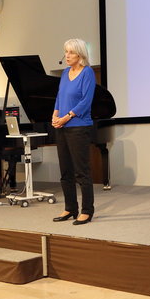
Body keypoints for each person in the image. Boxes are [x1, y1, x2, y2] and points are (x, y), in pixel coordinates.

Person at [52, 38, 96, 225]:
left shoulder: (88, 73)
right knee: (65, 171)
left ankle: (87, 210)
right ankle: (70, 208)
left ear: (80, 55)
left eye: (71, 52)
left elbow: (85, 101)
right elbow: (59, 97)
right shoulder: (64, 73)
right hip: (61, 126)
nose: (67, 56)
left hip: (78, 126)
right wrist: (55, 115)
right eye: (66, 52)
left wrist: (67, 116)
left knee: (81, 172)